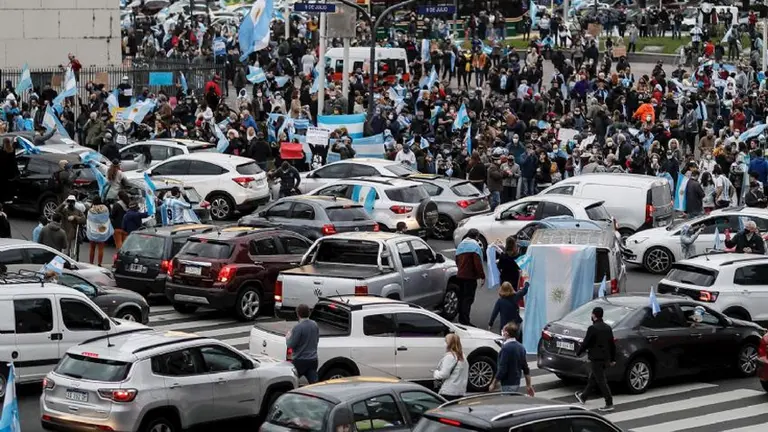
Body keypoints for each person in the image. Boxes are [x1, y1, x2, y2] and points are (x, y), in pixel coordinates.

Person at [575, 306, 616, 412]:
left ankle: (609, 403)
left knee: (601, 380)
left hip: (596, 358)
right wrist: (612, 358)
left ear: (594, 315)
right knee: (594, 378)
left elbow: (586, 343)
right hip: (605, 358)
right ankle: (583, 396)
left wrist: (578, 353)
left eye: (592, 314)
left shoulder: (592, 328)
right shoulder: (607, 327)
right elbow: (612, 344)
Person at [489, 322, 534, 395]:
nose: (502, 333)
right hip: (516, 382)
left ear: (506, 334)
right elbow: (525, 368)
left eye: (503, 331)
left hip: (507, 383)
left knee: (506, 403)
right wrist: (528, 385)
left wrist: (493, 383)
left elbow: (502, 369)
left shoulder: (505, 349)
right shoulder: (521, 347)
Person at [455, 229, 485, 326]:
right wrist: (482, 276)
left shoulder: (461, 245)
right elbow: (478, 263)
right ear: (476, 236)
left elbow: (457, 260)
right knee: (468, 299)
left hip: (460, 275)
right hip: (470, 277)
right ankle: (465, 320)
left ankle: (461, 318)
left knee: (462, 297)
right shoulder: (475, 246)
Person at [286, 304, 319, 384]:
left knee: (293, 382)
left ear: (298, 314)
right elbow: (316, 340)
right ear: (309, 313)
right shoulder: (314, 324)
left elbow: (291, 345)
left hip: (300, 361)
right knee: (314, 383)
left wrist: (288, 338)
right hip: (313, 360)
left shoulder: (298, 327)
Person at [432, 333, 468, 401]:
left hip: (448, 391)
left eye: (445, 341)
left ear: (450, 344)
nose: (444, 344)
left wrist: (435, 373)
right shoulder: (462, 356)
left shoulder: (450, 357)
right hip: (460, 391)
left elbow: (444, 374)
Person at [86, 197, 112, 266]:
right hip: (102, 231)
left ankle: (91, 263)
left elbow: (89, 220)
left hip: (93, 232)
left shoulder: (91, 210)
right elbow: (107, 218)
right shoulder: (105, 209)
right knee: (101, 249)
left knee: (92, 248)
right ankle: (99, 263)